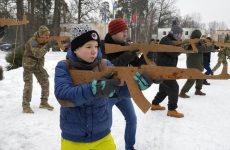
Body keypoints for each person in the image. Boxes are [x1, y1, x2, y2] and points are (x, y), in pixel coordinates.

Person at [54, 24, 152, 150]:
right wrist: (93, 89)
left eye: (96, 46)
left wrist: (138, 86)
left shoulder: (105, 65)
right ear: (75, 49)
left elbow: (119, 90)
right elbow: (63, 95)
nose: (94, 50)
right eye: (88, 46)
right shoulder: (64, 67)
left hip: (103, 137)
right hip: (73, 139)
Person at [100, 18, 146, 150]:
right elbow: (108, 68)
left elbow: (139, 65)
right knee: (104, 124)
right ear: (113, 32)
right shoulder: (102, 47)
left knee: (132, 119)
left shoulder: (126, 46)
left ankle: (129, 147)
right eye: (122, 31)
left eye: (126, 31)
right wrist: (128, 55)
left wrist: (147, 56)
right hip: (107, 92)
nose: (125, 34)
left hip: (123, 90)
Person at [150, 19, 184, 118]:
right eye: (178, 34)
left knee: (164, 89)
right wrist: (181, 46)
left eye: (180, 35)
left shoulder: (170, 40)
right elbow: (174, 53)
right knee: (174, 87)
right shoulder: (166, 40)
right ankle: (172, 110)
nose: (179, 37)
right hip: (164, 70)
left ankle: (155, 104)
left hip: (166, 69)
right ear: (173, 33)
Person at [22, 25, 54, 113]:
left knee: (45, 81)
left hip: (38, 66)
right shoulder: (33, 41)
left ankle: (44, 102)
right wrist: (47, 46)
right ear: (40, 35)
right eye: (45, 35)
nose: (47, 37)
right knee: (28, 84)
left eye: (48, 35)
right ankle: (25, 106)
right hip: (28, 65)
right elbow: (37, 54)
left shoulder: (44, 41)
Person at [179, 29, 208, 98]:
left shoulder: (200, 43)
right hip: (191, 64)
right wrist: (191, 43)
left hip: (199, 63)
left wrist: (203, 42)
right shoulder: (188, 44)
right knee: (191, 79)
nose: (197, 39)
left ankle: (198, 90)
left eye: (198, 37)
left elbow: (204, 49)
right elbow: (184, 48)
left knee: (200, 77)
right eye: (196, 37)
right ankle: (183, 92)